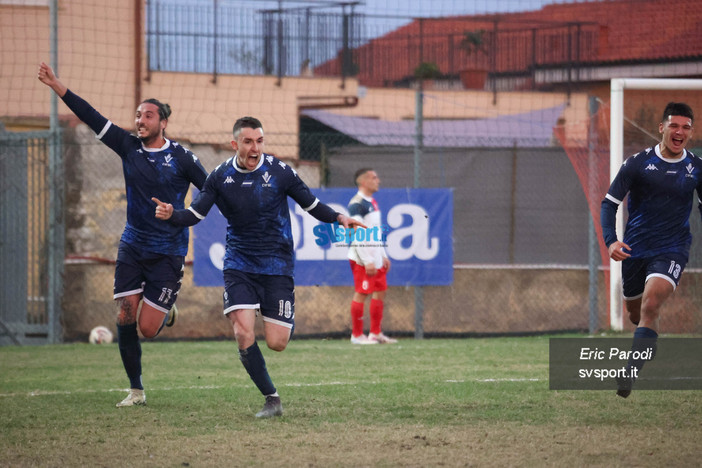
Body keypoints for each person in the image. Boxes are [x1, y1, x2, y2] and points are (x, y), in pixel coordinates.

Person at [152, 116, 365, 418]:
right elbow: (195, 215)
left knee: (277, 343)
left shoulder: (279, 172)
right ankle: (271, 398)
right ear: (235, 143)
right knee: (242, 332)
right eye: (249, 141)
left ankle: (279, 316)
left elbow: (311, 204)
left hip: (277, 264)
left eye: (260, 141)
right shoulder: (220, 176)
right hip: (239, 262)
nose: (255, 148)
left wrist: (339, 218)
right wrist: (173, 214)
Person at [37, 62, 208, 407]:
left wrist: (178, 215)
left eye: (147, 116)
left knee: (147, 328)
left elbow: (209, 193)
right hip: (133, 244)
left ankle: (165, 309)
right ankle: (136, 391)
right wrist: (58, 86)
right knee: (124, 314)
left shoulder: (182, 158)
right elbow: (92, 116)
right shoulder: (127, 146)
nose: (140, 120)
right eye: (137, 115)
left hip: (168, 250)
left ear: (163, 122)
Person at [600, 101, 700, 398]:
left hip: (673, 248)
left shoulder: (697, 168)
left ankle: (628, 374)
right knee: (636, 313)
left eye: (685, 127)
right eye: (674, 126)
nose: (679, 132)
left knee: (651, 304)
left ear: (691, 132)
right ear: (662, 128)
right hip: (635, 250)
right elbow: (609, 204)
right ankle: (646, 342)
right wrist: (611, 241)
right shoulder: (637, 164)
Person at [347, 168, 397, 344]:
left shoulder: (372, 202)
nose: (378, 180)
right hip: (362, 258)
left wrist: (383, 254)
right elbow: (357, 233)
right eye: (374, 178)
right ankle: (357, 335)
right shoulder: (357, 204)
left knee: (380, 291)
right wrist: (367, 260)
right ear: (363, 182)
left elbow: (375, 232)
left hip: (376, 257)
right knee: (362, 293)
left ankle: (375, 333)